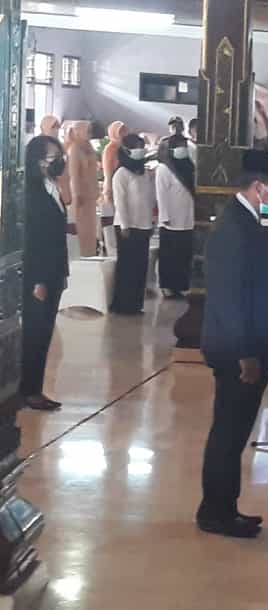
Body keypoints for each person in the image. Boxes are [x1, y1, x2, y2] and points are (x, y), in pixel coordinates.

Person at [197, 150, 268, 538]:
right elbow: (230, 297)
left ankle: (225, 506)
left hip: (250, 344)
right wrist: (245, 353)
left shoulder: (246, 221)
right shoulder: (233, 228)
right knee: (228, 432)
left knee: (235, 432)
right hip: (238, 351)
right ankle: (215, 513)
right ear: (259, 187)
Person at [19, 136, 69, 411]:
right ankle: (28, 390)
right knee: (35, 332)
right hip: (38, 276)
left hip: (54, 271)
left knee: (45, 331)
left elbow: (57, 236)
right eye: (54, 158)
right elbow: (33, 240)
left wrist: (62, 273)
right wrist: (37, 280)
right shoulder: (31, 193)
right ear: (38, 162)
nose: (60, 162)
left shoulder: (52, 187)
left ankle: (35, 388)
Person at [111, 134, 155, 315]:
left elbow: (149, 199)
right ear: (127, 150)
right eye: (136, 146)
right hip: (127, 227)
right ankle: (123, 304)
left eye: (141, 146)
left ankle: (137, 304)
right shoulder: (121, 173)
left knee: (140, 266)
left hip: (143, 225)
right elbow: (120, 202)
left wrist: (151, 221)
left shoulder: (144, 173)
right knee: (127, 266)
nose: (140, 150)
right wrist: (125, 225)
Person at [155, 135, 195, 297]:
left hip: (187, 218)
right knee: (169, 254)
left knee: (183, 254)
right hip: (170, 220)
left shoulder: (188, 166)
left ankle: (181, 285)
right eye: (179, 146)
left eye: (184, 145)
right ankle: (167, 285)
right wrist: (164, 216)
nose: (182, 149)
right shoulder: (164, 169)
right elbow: (161, 194)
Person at [67, 120, 99, 256]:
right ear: (79, 132)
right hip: (80, 196)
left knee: (91, 228)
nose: (89, 133)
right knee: (82, 228)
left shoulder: (89, 147)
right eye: (87, 130)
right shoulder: (74, 149)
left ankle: (90, 254)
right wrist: (76, 194)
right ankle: (81, 256)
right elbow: (73, 174)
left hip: (90, 195)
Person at [101, 121, 128, 256]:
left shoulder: (123, 148)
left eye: (124, 131)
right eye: (120, 131)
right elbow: (108, 171)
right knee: (114, 219)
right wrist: (110, 189)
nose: (123, 134)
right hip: (112, 187)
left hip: (123, 186)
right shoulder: (110, 149)